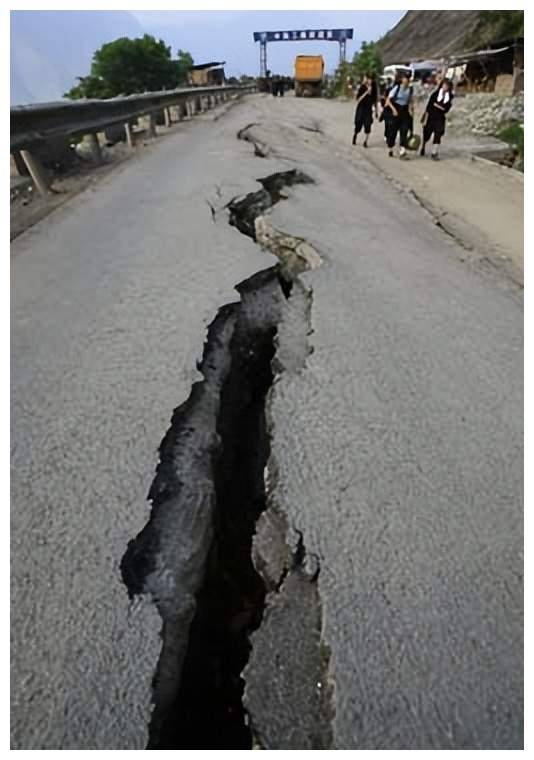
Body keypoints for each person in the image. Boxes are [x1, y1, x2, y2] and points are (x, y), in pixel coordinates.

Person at [420, 77, 453, 160]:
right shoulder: (436, 94)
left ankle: (434, 152)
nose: (445, 87)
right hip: (431, 116)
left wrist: (439, 106)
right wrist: (426, 115)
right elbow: (429, 105)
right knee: (427, 133)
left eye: (447, 86)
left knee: (438, 133)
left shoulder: (449, 96)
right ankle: (423, 145)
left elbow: (447, 108)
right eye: (444, 85)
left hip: (440, 118)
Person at [384, 72, 413, 158]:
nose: (406, 81)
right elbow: (388, 100)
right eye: (405, 78)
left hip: (404, 111)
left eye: (408, 79)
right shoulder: (396, 88)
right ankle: (390, 148)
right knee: (392, 132)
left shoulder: (410, 90)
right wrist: (393, 110)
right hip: (395, 109)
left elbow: (410, 101)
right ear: (402, 79)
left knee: (404, 130)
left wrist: (411, 111)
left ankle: (402, 150)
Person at [352, 73, 377, 147]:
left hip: (368, 109)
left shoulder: (374, 88)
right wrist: (366, 92)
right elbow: (358, 99)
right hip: (361, 108)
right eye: (368, 79)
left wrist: (376, 111)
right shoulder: (362, 87)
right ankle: (355, 134)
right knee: (358, 124)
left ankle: (365, 141)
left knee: (368, 125)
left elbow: (375, 101)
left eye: (371, 80)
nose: (370, 81)